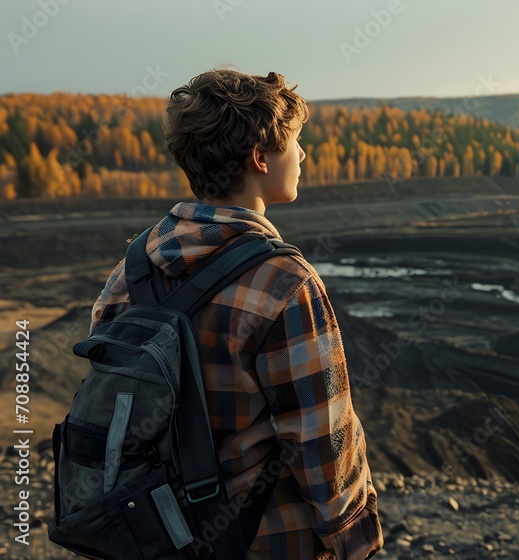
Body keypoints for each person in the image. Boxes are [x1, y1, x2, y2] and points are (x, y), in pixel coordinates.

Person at [87, 68, 383, 560]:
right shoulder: (284, 281)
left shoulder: (132, 267)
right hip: (262, 539)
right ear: (259, 157)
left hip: (155, 535)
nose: (304, 154)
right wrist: (358, 542)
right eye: (297, 141)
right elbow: (321, 439)